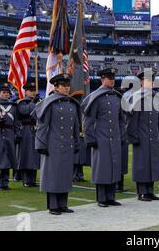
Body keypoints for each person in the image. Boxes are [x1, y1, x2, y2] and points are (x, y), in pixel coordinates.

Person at [32, 74, 81, 215]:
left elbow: (76, 126)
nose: (67, 88)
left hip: (67, 144)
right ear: (56, 87)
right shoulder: (50, 103)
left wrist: (77, 142)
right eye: (63, 85)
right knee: (53, 176)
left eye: (67, 85)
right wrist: (40, 144)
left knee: (65, 176)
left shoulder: (72, 103)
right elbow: (42, 126)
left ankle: (63, 204)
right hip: (52, 145)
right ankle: (53, 205)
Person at [82, 68, 124, 207]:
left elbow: (121, 119)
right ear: (102, 79)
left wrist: (121, 135)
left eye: (113, 78)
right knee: (102, 168)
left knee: (113, 167)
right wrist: (90, 138)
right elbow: (88, 120)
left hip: (115, 138)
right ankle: (101, 198)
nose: (111, 80)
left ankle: (111, 197)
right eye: (109, 78)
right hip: (101, 138)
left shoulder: (117, 97)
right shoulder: (96, 97)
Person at [127, 70, 159, 202]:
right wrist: (133, 137)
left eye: (152, 80)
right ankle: (142, 191)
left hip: (152, 136)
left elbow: (157, 119)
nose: (151, 82)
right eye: (148, 80)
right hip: (141, 137)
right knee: (142, 165)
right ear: (141, 82)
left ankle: (150, 190)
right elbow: (132, 119)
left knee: (152, 164)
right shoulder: (136, 97)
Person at [16, 81, 40, 187]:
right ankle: (26, 180)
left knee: (35, 156)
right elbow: (25, 111)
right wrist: (33, 103)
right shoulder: (22, 102)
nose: (33, 92)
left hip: (36, 130)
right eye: (31, 90)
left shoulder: (38, 102)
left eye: (34, 90)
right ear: (25, 91)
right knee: (26, 156)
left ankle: (33, 180)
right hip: (25, 130)